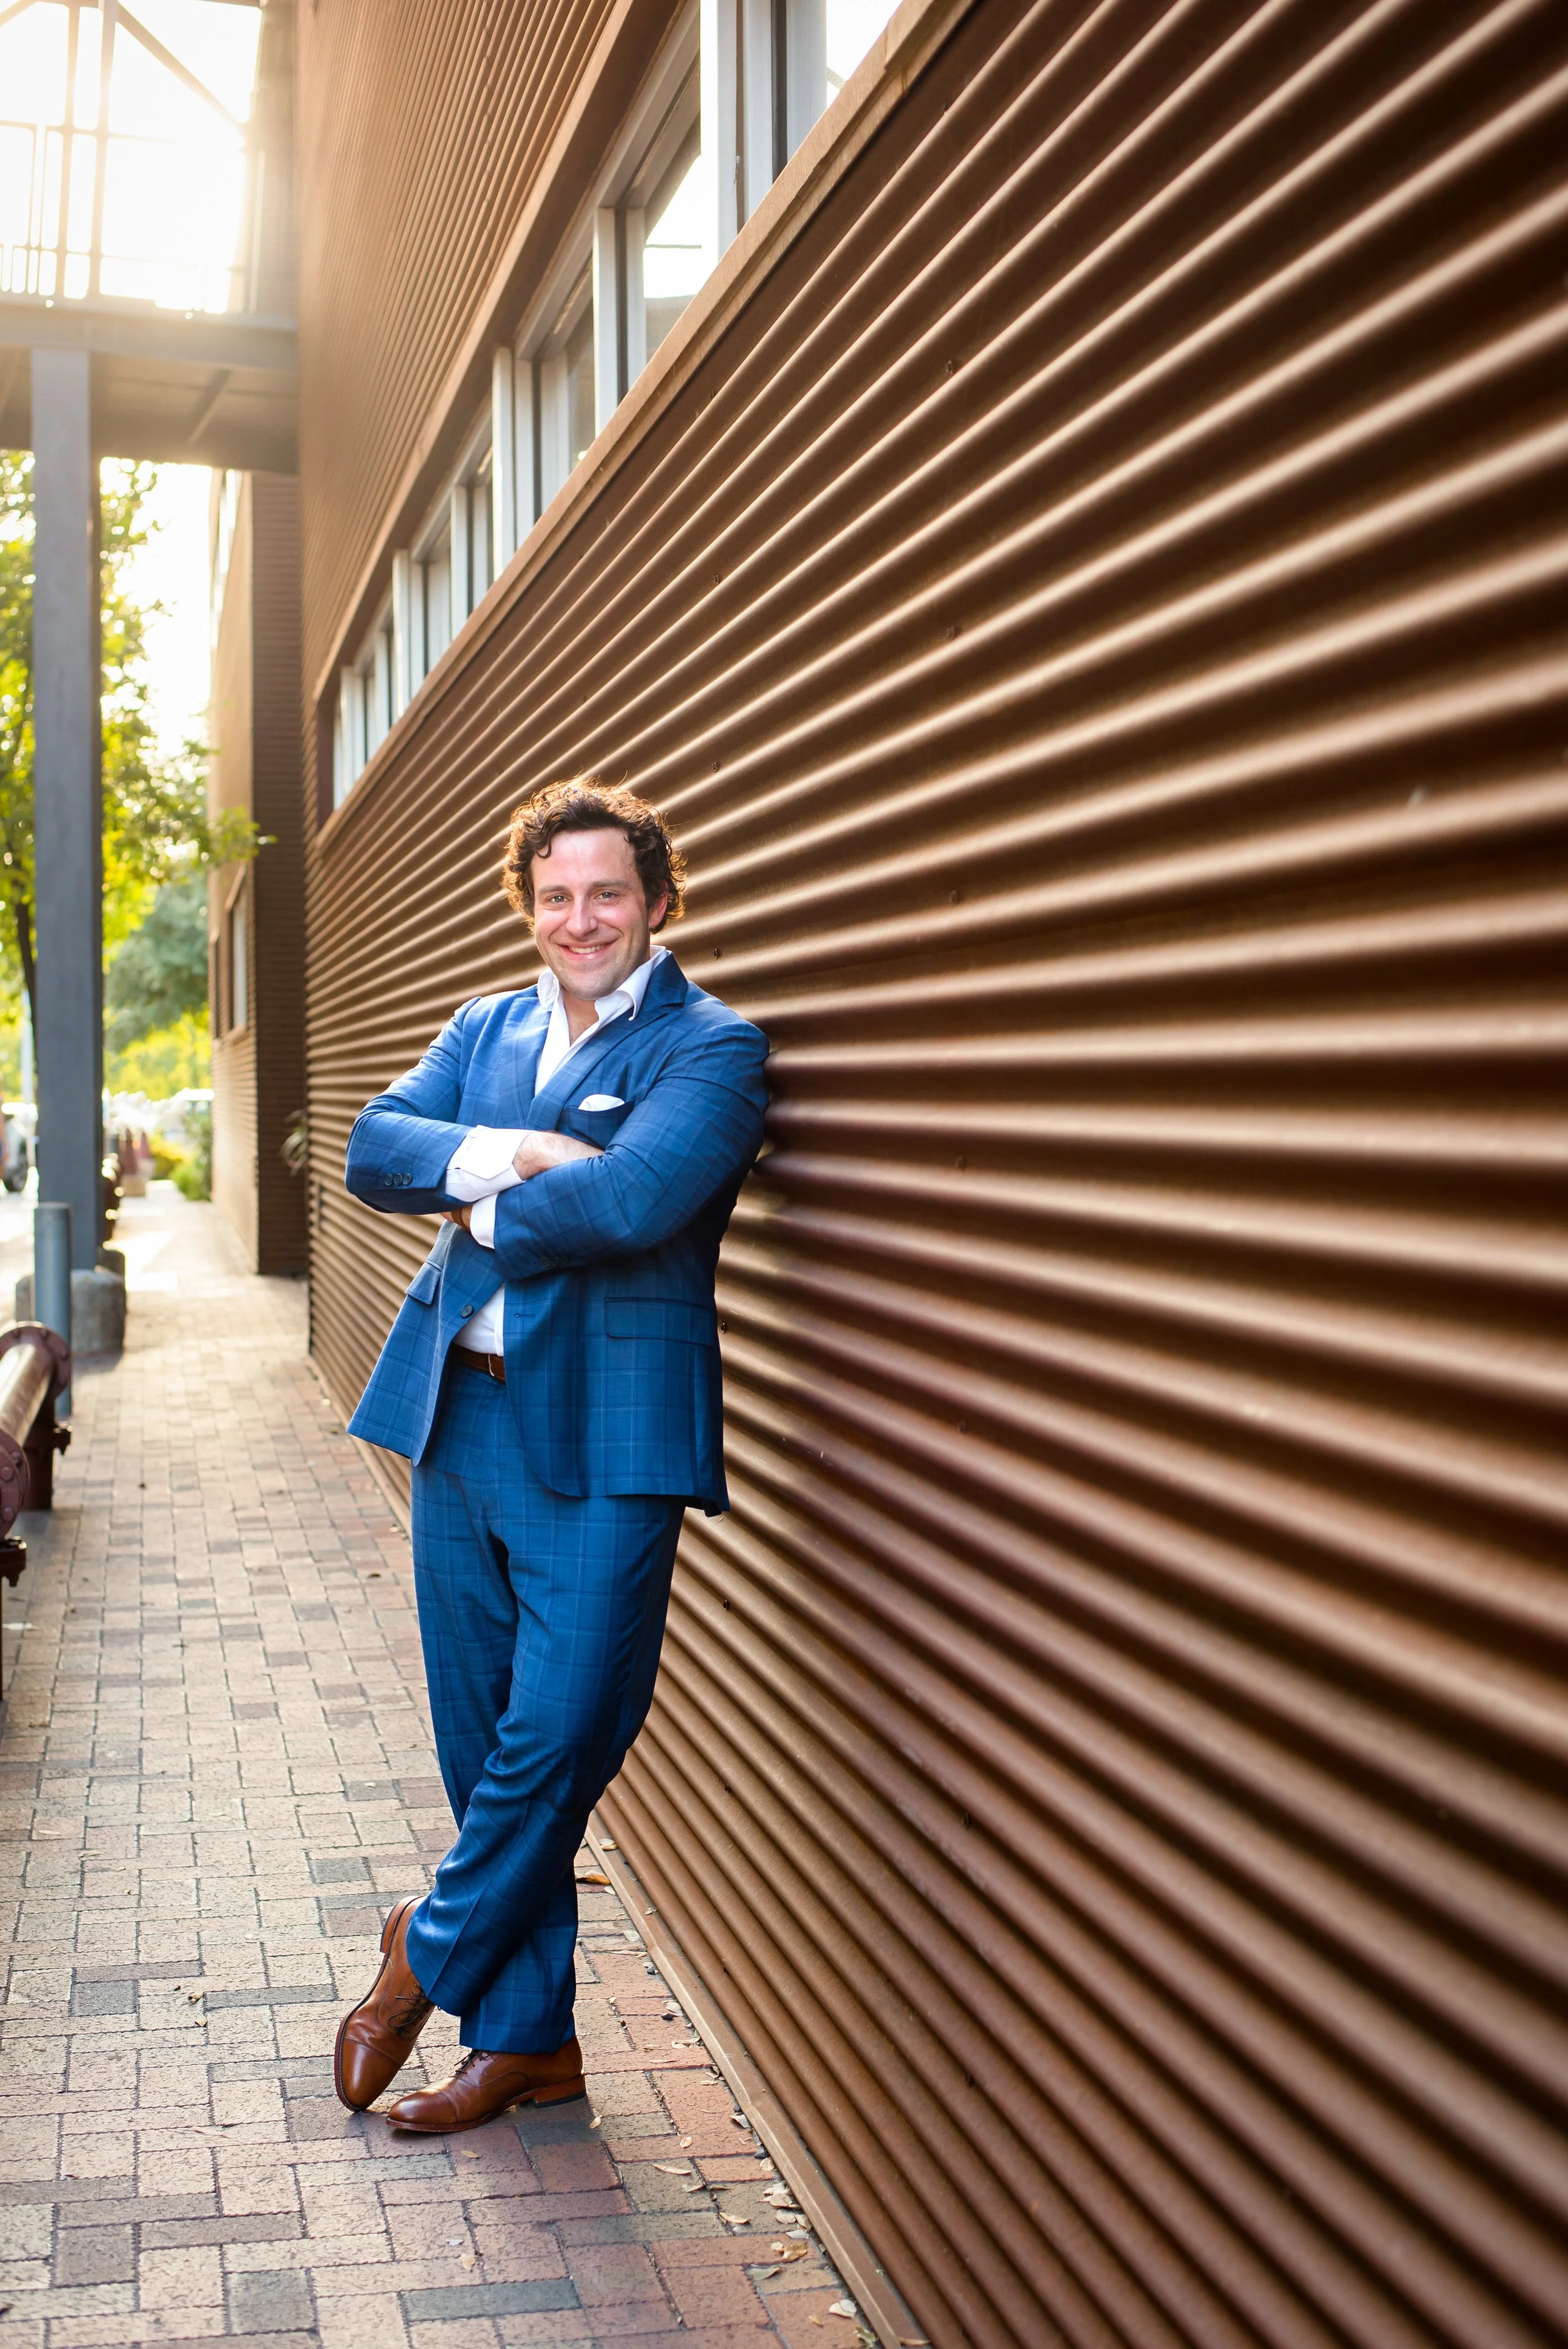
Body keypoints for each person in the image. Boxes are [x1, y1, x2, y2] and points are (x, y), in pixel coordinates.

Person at [333, 778, 768, 2133]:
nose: (580, 920)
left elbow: (640, 1196)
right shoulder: (487, 1026)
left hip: (609, 1433)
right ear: (528, 903)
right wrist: (509, 1151)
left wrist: (474, 1209)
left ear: (656, 902)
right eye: (557, 895)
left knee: (568, 1722)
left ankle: (427, 1947)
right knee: (481, 1736)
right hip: (457, 1417)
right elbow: (371, 1150)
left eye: (608, 895)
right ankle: (526, 2040)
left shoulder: (711, 1048)